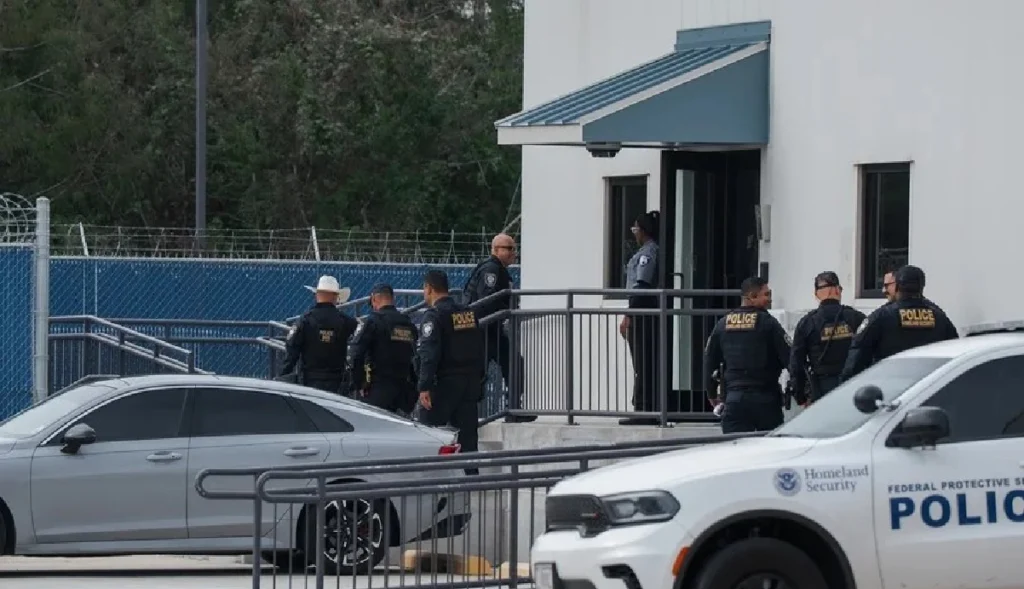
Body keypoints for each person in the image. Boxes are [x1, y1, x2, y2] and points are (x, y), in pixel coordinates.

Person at [416, 270, 486, 473]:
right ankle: (472, 482)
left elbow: (429, 354)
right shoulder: (467, 313)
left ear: (429, 288)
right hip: (470, 382)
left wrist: (424, 386)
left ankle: (427, 478)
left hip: (445, 383)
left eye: (424, 289)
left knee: (427, 431)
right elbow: (479, 347)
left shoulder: (434, 316)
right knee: (468, 439)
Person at [702, 276, 791, 433]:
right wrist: (801, 391)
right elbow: (790, 358)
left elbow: (710, 360)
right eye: (766, 294)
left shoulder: (723, 323)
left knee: (737, 451)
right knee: (771, 451)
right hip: (766, 400)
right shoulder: (768, 323)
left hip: (734, 400)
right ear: (752, 297)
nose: (769, 300)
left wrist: (711, 392)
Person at [841, 265, 959, 380]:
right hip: (927, 388)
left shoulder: (882, 316)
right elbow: (955, 351)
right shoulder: (939, 316)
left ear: (897, 286)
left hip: (891, 386)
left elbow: (857, 356)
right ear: (922, 287)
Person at [463, 233, 533, 423]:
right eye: (509, 248)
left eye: (514, 248)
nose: (513, 253)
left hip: (492, 330)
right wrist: (506, 311)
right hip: (483, 330)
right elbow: (487, 301)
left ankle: (513, 409)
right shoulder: (491, 270)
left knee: (513, 363)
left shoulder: (498, 269)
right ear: (495, 250)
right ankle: (466, 412)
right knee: (479, 373)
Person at [787, 272, 866, 404]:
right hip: (853, 385)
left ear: (816, 294)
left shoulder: (807, 323)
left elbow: (796, 363)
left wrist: (800, 395)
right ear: (837, 290)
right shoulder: (856, 318)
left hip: (821, 388)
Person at [346, 283, 418, 414]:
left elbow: (355, 355)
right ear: (393, 299)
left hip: (377, 390)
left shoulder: (373, 322)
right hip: (404, 390)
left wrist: (359, 383)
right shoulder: (407, 323)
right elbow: (416, 356)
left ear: (374, 300)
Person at [618, 211, 661, 425]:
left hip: (643, 313)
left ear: (643, 231)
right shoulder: (647, 251)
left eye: (636, 229)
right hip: (642, 311)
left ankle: (645, 408)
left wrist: (629, 314)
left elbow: (642, 286)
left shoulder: (648, 253)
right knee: (641, 362)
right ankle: (643, 404)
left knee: (643, 362)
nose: (634, 234)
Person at [281, 275, 359, 393]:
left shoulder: (305, 321)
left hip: (309, 383)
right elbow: (359, 344)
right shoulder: (347, 322)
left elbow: (291, 352)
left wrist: (282, 376)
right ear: (336, 297)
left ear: (317, 295)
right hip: (337, 383)